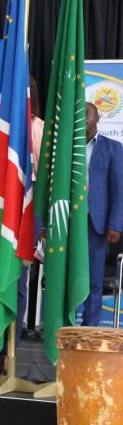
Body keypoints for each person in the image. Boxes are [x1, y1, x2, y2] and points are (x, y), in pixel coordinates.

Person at [81, 102, 123, 326]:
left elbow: (119, 189)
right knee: (67, 279)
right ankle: (64, 331)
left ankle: (89, 331)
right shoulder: (68, 146)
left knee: (93, 281)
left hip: (95, 225)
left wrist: (115, 224)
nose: (84, 118)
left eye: (88, 114)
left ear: (98, 118)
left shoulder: (113, 148)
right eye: (80, 114)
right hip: (69, 223)